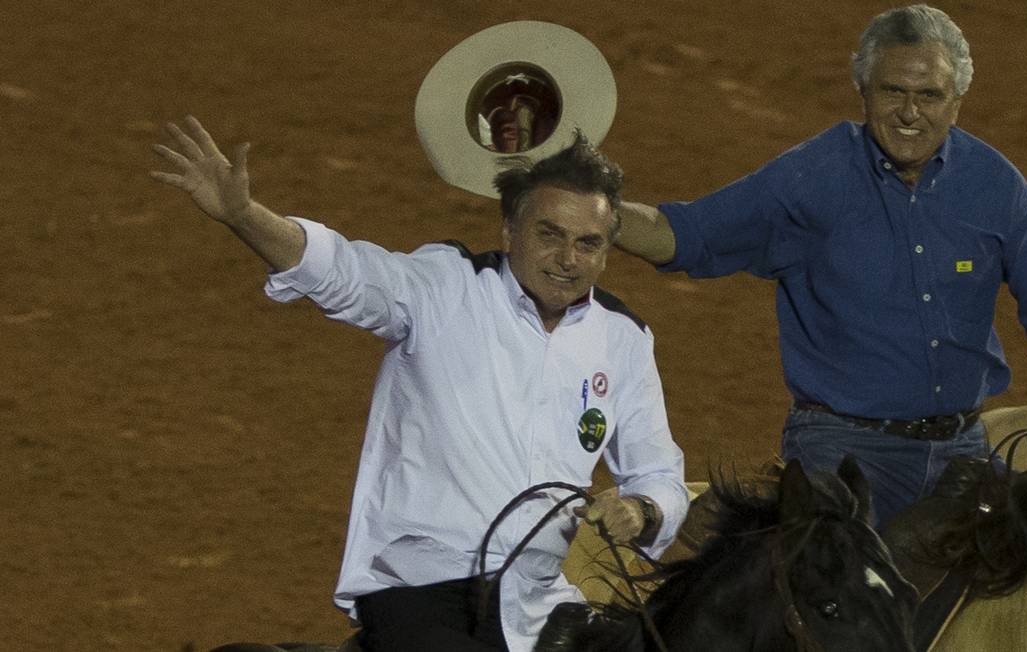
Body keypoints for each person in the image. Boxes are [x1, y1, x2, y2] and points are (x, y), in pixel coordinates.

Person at [150, 117, 687, 652]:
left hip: (541, 601)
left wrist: (644, 510)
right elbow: (345, 272)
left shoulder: (624, 340)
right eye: (550, 235)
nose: (569, 259)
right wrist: (245, 217)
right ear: (509, 232)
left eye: (588, 243)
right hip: (423, 585)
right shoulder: (444, 287)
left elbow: (659, 473)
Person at [614, 4, 1027, 528]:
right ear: (863, 90)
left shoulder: (997, 186)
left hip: (963, 451)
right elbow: (685, 235)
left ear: (956, 101)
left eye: (929, 95)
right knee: (840, 598)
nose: (911, 113)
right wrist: (596, 213)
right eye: (893, 92)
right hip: (841, 452)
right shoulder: (811, 178)